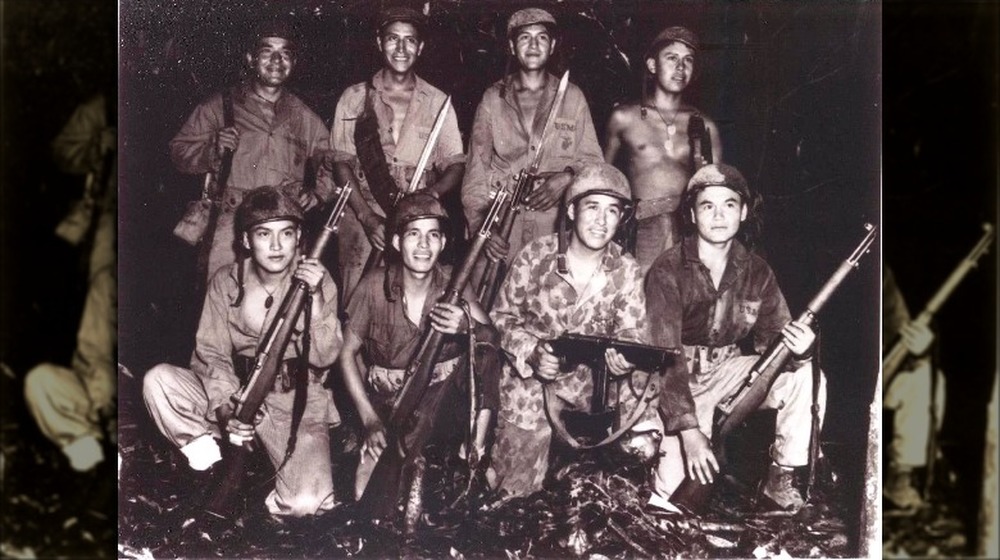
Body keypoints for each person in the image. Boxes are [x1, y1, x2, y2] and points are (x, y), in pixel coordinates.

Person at [142, 186, 343, 518]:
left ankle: (268, 474)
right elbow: (211, 354)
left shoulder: (318, 281)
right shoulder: (226, 281)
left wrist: (317, 298)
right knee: (158, 381)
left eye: (286, 233)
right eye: (264, 234)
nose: (277, 246)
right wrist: (227, 412)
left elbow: (324, 357)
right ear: (247, 241)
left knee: (308, 505)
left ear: (299, 239)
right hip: (238, 393)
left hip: (294, 402)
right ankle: (213, 463)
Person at [644, 163, 826, 513]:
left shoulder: (757, 270)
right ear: (692, 215)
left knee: (805, 377)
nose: (718, 215)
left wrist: (802, 352)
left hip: (728, 373)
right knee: (668, 503)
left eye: (729, 204)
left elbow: (778, 339)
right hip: (673, 385)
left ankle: (781, 477)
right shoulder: (667, 269)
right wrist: (689, 432)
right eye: (706, 205)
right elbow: (663, 357)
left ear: (743, 213)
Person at [488, 162, 651, 499]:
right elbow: (500, 318)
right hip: (529, 390)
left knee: (593, 499)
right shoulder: (536, 257)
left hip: (590, 396)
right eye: (592, 207)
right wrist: (532, 352)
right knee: (513, 497)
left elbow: (635, 335)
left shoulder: (626, 269)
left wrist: (625, 360)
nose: (601, 221)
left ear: (622, 219)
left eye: (612, 211)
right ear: (573, 210)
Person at [340, 192, 500, 503]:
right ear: (398, 243)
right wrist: (370, 420)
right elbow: (346, 354)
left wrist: (469, 327)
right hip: (390, 402)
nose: (424, 246)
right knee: (368, 496)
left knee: (484, 350)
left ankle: (474, 453)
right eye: (414, 234)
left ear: (442, 243)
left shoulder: (454, 283)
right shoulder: (373, 286)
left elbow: (493, 339)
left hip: (444, 402)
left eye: (433, 235)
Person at [169, 17, 334, 280]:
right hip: (230, 226)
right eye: (267, 52)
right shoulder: (219, 106)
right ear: (250, 58)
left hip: (283, 226)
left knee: (277, 308)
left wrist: (318, 195)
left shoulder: (305, 117)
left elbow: (332, 161)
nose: (277, 61)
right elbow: (178, 151)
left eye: (285, 54)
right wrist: (212, 149)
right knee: (223, 301)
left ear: (294, 63)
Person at [462, 7, 604, 297]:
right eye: (525, 38)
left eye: (542, 38)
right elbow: (476, 167)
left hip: (552, 221)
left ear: (552, 47)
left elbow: (593, 161)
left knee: (548, 301)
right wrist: (481, 227)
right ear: (512, 47)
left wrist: (566, 177)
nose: (534, 45)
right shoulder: (493, 98)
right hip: (501, 222)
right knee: (492, 302)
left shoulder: (572, 96)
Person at [330, 6, 466, 299]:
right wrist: (367, 218)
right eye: (393, 39)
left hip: (418, 216)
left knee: (411, 298)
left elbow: (455, 164)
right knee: (356, 300)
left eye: (410, 40)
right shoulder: (354, 98)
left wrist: (432, 196)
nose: (401, 48)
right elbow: (341, 164)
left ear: (421, 47)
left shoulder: (438, 102)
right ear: (380, 43)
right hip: (363, 211)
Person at [24, 91, 117, 477]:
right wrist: (98, 145)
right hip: (99, 224)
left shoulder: (157, 97)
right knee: (90, 312)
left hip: (143, 221)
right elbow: (62, 153)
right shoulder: (102, 106)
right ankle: (87, 467)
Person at [604, 25, 722, 274]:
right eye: (672, 58)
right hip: (641, 231)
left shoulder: (704, 124)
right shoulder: (624, 117)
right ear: (652, 65)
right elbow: (602, 180)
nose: (681, 67)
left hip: (688, 230)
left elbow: (717, 190)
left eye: (688, 60)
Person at [883, 267, 945, 510]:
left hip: (881, 378)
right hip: (840, 381)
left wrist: (921, 350)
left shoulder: (884, 276)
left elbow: (906, 348)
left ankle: (900, 475)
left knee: (926, 376)